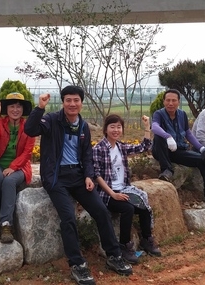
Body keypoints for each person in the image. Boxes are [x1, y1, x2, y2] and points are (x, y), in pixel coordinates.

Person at [24, 85, 132, 285]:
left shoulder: (82, 125)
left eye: (76, 100)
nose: (72, 104)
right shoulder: (51, 120)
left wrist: (89, 175)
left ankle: (114, 254)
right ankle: (77, 264)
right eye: (68, 100)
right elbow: (30, 130)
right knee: (68, 217)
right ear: (63, 102)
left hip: (78, 176)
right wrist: (39, 108)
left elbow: (86, 155)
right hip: (56, 178)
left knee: (101, 210)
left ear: (81, 103)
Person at [93, 114, 161, 265]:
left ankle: (146, 239)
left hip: (124, 189)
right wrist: (113, 194)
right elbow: (96, 175)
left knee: (143, 205)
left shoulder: (121, 146)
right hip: (107, 193)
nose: (116, 130)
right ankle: (124, 246)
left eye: (119, 127)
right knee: (128, 209)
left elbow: (144, 146)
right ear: (105, 129)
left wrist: (146, 127)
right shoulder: (99, 148)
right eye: (112, 127)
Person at [151, 89, 205, 208]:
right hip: (162, 150)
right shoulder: (159, 114)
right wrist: (167, 136)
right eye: (168, 100)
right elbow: (154, 126)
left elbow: (188, 133)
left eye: (173, 100)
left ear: (178, 102)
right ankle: (167, 169)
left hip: (178, 150)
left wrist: (202, 148)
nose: (170, 103)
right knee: (158, 137)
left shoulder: (182, 114)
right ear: (164, 102)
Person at [0, 92, 35, 243]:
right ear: (7, 108)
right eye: (12, 106)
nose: (15, 109)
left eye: (18, 106)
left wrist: (14, 167)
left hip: (20, 167)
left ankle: (6, 223)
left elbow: (28, 151)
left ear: (23, 109)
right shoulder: (1, 122)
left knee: (9, 181)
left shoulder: (29, 126)